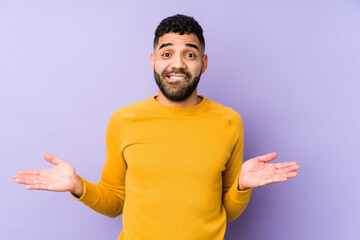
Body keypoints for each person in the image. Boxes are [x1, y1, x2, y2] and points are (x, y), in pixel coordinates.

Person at [13, 14, 300, 240]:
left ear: (204, 62)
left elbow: (227, 212)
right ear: (153, 61)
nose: (177, 64)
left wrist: (241, 186)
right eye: (166, 54)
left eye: (189, 54)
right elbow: (114, 203)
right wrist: (78, 186)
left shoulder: (229, 121)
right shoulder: (124, 120)